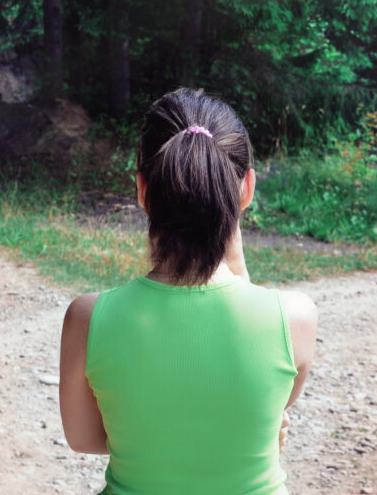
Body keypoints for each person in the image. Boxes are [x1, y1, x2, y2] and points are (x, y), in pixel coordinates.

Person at [59, 88, 317, 494]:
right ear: (246, 189)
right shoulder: (295, 317)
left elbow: (83, 439)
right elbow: (264, 417)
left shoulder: (87, 318)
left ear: (143, 190)